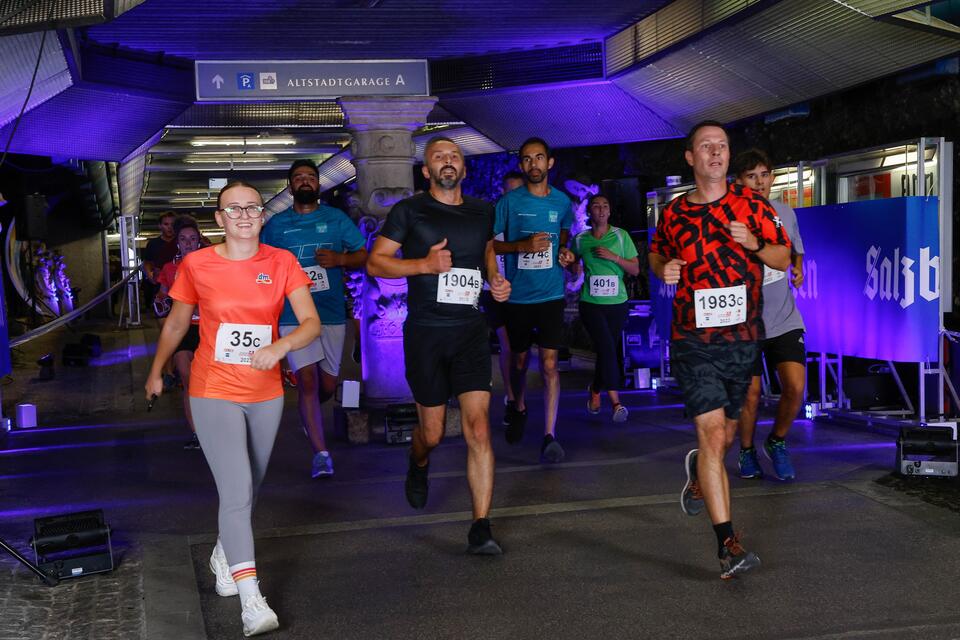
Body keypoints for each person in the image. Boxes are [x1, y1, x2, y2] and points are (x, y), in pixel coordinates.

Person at [145, 181, 319, 636]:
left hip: (265, 392)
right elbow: (178, 321)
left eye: (252, 208)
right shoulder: (197, 264)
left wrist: (280, 346)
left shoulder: (281, 262)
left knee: (250, 488)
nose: (244, 215)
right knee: (238, 486)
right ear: (219, 219)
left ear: (262, 216)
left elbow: (310, 323)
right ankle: (250, 598)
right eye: (233, 209)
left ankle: (224, 555)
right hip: (212, 388)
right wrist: (157, 369)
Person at [648, 121, 790, 579]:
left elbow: (784, 257)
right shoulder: (672, 214)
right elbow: (655, 253)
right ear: (690, 157)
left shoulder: (752, 205)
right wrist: (663, 267)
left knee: (725, 437)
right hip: (693, 340)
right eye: (706, 147)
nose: (716, 153)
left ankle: (697, 476)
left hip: (743, 339)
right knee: (712, 436)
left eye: (722, 146)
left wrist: (756, 243)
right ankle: (727, 545)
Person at [367, 136, 510, 554]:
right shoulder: (409, 211)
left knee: (478, 428)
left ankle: (481, 526)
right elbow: (376, 261)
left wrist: (495, 280)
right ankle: (419, 461)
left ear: (463, 167)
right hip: (426, 332)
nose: (448, 161)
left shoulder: (483, 211)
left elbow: (486, 252)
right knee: (431, 433)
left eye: (454, 156)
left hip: (469, 329)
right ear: (426, 171)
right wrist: (424, 265)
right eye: (438, 157)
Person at [261, 159, 367, 478]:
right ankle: (321, 454)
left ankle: (310, 418)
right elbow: (261, 267)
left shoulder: (335, 219)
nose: (305, 181)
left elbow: (363, 255)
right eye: (298, 178)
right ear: (290, 186)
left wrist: (341, 259)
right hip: (293, 315)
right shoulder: (276, 226)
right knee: (306, 382)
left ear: (319, 184)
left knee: (326, 385)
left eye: (311, 177)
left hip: (330, 312)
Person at [494, 138, 575, 463]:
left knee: (551, 365)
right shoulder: (509, 203)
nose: (533, 165)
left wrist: (567, 255)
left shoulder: (562, 201)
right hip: (519, 297)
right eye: (527, 159)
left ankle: (549, 435)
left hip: (552, 294)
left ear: (550, 163)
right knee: (519, 361)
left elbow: (565, 235)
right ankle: (518, 404)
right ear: (522, 165)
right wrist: (521, 246)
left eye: (539, 158)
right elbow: (493, 246)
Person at [733, 149, 806, 481]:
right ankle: (746, 450)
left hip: (784, 318)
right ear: (740, 182)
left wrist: (798, 270)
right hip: (745, 321)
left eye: (764, 174)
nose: (759, 182)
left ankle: (776, 441)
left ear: (772, 177)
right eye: (751, 176)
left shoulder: (785, 212)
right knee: (750, 393)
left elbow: (796, 251)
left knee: (795, 387)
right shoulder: (731, 217)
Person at [569, 194, 639, 423]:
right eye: (596, 206)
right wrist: (573, 268)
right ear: (589, 212)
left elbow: (635, 270)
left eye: (605, 206)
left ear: (609, 211)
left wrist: (613, 257)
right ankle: (617, 402)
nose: (600, 209)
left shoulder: (621, 236)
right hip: (591, 304)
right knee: (608, 347)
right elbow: (571, 262)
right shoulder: (580, 239)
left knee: (607, 349)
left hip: (617, 304)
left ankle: (596, 389)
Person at [155, 215, 204, 450]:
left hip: (208, 329)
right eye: (183, 239)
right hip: (182, 330)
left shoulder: (212, 267)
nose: (188, 243)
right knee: (188, 378)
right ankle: (197, 434)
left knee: (210, 382)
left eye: (193, 239)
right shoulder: (170, 268)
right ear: (178, 243)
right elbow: (162, 295)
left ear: (199, 241)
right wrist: (162, 303)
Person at [480, 171, 524, 415]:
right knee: (507, 345)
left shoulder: (529, 219)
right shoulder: (491, 220)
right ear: (502, 193)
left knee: (521, 350)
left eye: (518, 191)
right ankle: (510, 397)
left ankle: (520, 397)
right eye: (509, 191)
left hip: (523, 292)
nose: (513, 196)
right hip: (494, 290)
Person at [142, 211, 178, 301]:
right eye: (166, 224)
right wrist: (150, 277)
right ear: (160, 226)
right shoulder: (153, 244)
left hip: (179, 285)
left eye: (172, 224)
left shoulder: (182, 242)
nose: (169, 227)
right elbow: (147, 262)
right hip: (160, 285)